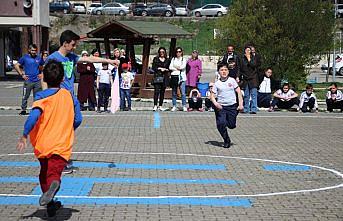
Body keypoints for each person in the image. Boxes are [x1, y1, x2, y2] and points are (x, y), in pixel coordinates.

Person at [45, 30, 118, 174]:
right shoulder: (53, 59)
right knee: (63, 131)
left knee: (77, 120)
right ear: (65, 44)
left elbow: (90, 59)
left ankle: (60, 146)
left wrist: (109, 61)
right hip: (59, 98)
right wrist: (46, 98)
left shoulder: (71, 57)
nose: (74, 47)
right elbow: (44, 78)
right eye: (72, 45)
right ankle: (59, 160)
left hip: (71, 98)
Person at [16, 60, 82, 217]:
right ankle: (54, 186)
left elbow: (33, 117)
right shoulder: (69, 96)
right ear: (62, 79)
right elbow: (78, 119)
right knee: (54, 172)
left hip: (43, 144)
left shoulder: (41, 97)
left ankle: (51, 204)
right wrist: (68, 127)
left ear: (43, 78)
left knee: (43, 173)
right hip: (61, 144)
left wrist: (25, 134)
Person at [210, 63, 243, 148]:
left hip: (232, 106)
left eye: (225, 70)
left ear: (228, 71)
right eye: (221, 70)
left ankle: (234, 114)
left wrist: (240, 104)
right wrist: (216, 104)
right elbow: (212, 96)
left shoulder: (232, 80)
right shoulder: (217, 84)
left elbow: (238, 91)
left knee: (231, 125)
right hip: (221, 107)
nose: (224, 72)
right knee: (221, 123)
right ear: (218, 72)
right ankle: (226, 140)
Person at [14, 44, 44, 115]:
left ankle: (36, 110)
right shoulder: (25, 58)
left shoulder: (39, 58)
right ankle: (23, 110)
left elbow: (43, 66)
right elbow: (16, 65)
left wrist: (42, 73)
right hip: (28, 80)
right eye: (33, 50)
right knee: (25, 96)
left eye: (35, 51)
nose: (34, 52)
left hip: (37, 81)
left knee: (37, 97)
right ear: (29, 50)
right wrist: (22, 74)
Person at [238, 46, 258, 114]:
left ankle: (254, 109)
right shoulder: (242, 59)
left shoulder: (254, 58)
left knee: (253, 95)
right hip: (246, 79)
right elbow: (239, 68)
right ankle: (246, 108)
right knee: (246, 95)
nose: (247, 52)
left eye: (249, 50)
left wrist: (249, 58)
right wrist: (238, 76)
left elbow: (253, 65)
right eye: (246, 50)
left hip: (253, 79)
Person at [152, 47, 170, 111]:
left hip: (164, 77)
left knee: (162, 92)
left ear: (165, 52)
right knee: (156, 91)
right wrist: (159, 68)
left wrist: (165, 69)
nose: (161, 53)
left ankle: (160, 105)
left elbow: (169, 68)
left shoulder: (167, 60)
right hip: (157, 76)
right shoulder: (156, 59)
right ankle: (155, 105)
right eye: (160, 52)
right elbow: (153, 67)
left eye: (163, 52)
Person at [169, 47, 187, 112]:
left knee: (183, 92)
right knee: (174, 92)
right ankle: (174, 105)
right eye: (177, 52)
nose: (178, 53)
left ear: (182, 52)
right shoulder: (173, 59)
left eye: (179, 51)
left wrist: (175, 67)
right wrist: (177, 68)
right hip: (174, 76)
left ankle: (184, 105)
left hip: (182, 77)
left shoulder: (183, 59)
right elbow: (170, 67)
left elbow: (183, 67)